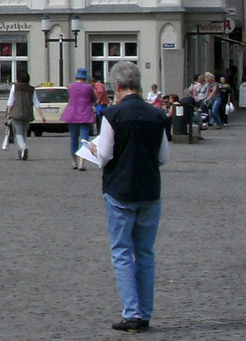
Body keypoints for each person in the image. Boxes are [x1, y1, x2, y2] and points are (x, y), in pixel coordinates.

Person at [87, 59, 171, 332]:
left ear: (117, 86)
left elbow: (105, 155)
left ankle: (131, 312)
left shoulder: (112, 115)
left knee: (122, 252)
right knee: (145, 253)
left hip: (120, 190)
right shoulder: (157, 115)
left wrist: (93, 150)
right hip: (149, 190)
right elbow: (163, 157)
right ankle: (145, 313)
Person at [65, 68, 97, 171]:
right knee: (84, 139)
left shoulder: (70, 86)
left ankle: (74, 161)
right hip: (85, 113)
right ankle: (81, 163)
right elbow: (94, 99)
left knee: (73, 138)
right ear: (85, 77)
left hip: (72, 113)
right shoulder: (88, 87)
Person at [5, 68, 33, 161]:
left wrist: (8, 113)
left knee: (18, 133)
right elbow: (36, 102)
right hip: (28, 113)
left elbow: (10, 101)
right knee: (24, 133)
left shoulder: (15, 87)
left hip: (16, 113)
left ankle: (23, 147)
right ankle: (20, 153)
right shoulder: (31, 89)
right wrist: (42, 116)